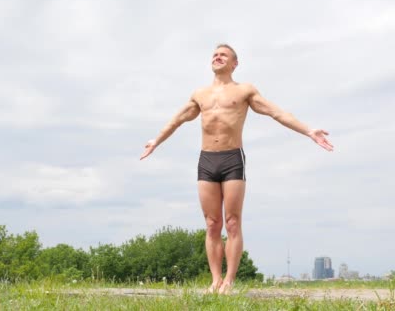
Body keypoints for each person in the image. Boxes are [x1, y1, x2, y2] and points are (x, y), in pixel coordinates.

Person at [140, 44, 333, 294]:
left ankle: (229, 280)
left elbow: (277, 112)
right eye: (214, 54)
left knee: (232, 222)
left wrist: (308, 130)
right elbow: (177, 120)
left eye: (223, 55)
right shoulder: (200, 94)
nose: (217, 56)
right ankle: (215, 280)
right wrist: (156, 140)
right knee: (212, 223)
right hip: (207, 160)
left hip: (232, 159)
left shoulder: (245, 91)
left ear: (234, 64)